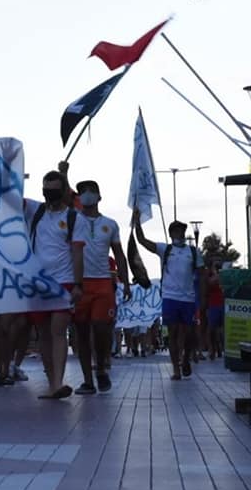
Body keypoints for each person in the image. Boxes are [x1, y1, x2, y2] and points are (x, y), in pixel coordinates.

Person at [25, 164, 83, 400]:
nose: (50, 195)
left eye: (54, 190)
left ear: (63, 192)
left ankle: (58, 382)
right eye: (46, 190)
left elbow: (77, 252)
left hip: (64, 282)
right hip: (38, 283)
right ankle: (52, 382)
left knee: (58, 331)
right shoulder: (36, 211)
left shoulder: (73, 217)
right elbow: (10, 199)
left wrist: (78, 285)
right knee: (44, 335)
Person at [70, 180, 131, 395]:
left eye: (91, 192)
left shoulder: (111, 224)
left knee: (101, 327)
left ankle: (102, 367)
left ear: (99, 196)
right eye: (82, 192)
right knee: (82, 333)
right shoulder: (73, 220)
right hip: (80, 282)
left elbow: (120, 255)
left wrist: (125, 282)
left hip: (104, 282)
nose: (86, 195)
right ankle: (88, 380)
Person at [132, 211, 205, 380]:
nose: (179, 233)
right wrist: (137, 223)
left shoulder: (193, 252)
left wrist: (202, 298)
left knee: (189, 334)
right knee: (172, 333)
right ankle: (176, 369)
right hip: (170, 298)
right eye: (176, 231)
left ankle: (186, 358)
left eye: (182, 231)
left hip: (188, 299)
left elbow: (201, 274)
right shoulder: (165, 249)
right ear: (171, 233)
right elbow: (143, 241)